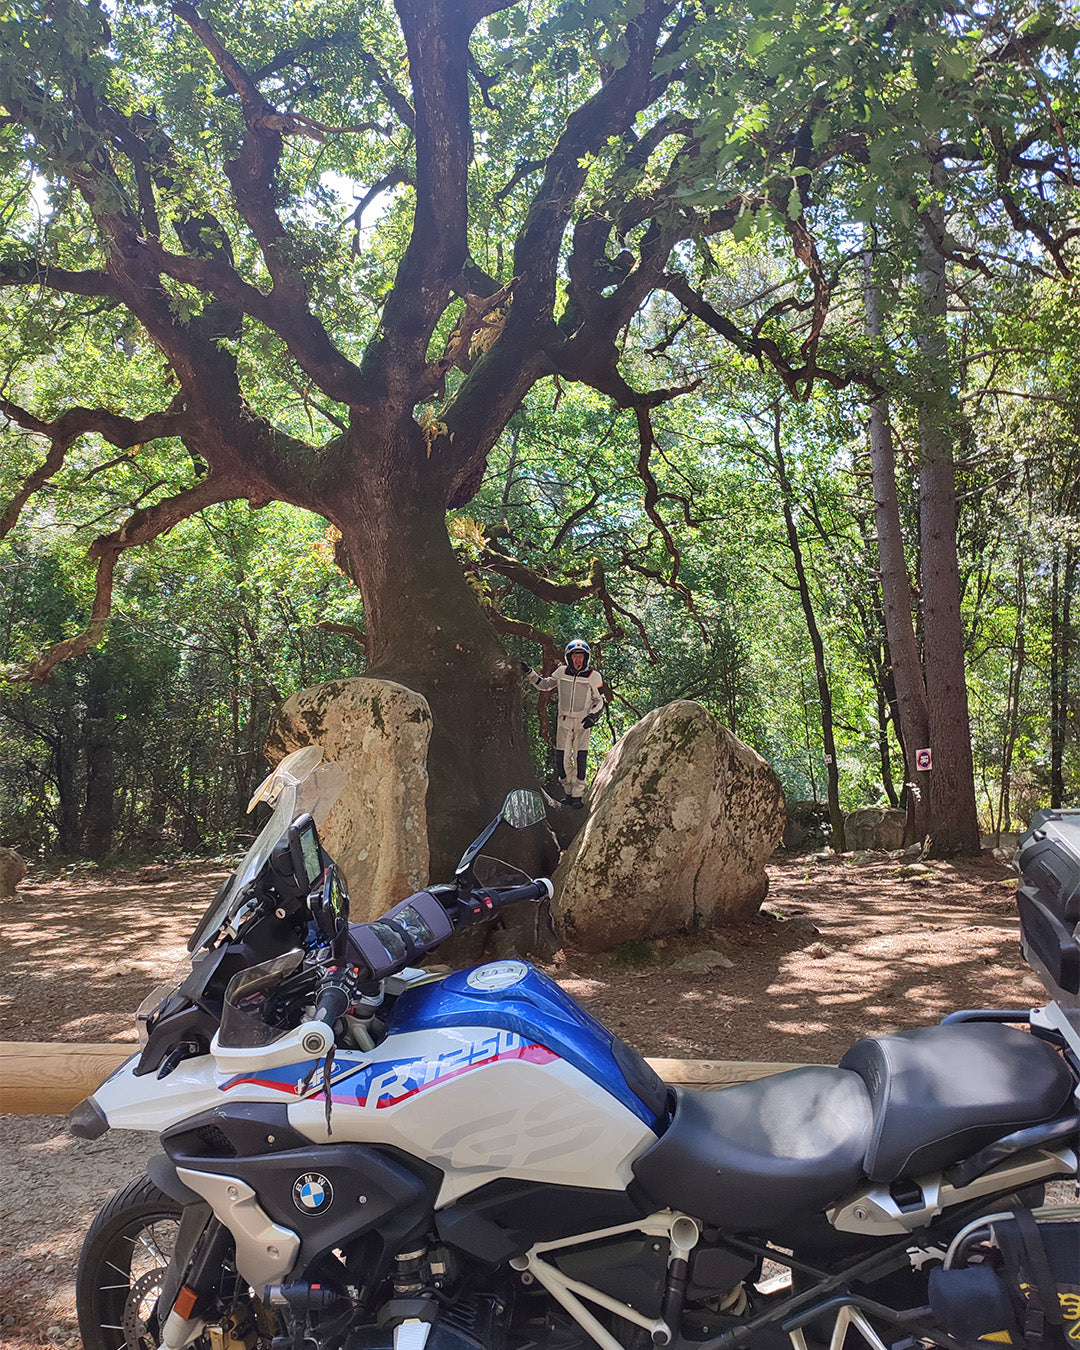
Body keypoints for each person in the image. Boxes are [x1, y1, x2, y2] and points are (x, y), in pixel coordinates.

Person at [521, 639, 606, 809]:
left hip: (583, 722)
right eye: (575, 656)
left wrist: (592, 717)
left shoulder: (593, 677)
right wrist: (529, 672)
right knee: (562, 759)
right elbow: (544, 685)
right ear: (569, 657)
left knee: (580, 758)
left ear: (586, 657)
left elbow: (600, 700)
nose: (578, 660)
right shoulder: (561, 672)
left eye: (581, 656)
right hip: (564, 720)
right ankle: (568, 793)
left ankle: (577, 796)